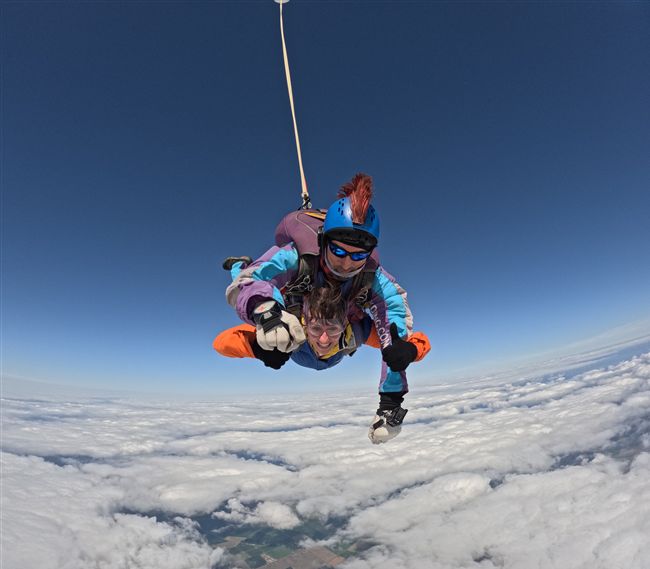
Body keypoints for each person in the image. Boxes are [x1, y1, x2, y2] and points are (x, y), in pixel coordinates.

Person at [224, 173, 427, 443]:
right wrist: (267, 316)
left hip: (336, 318)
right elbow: (250, 281)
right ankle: (241, 263)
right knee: (250, 279)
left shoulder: (365, 298)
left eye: (358, 255)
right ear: (323, 242)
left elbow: (396, 329)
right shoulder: (296, 258)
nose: (347, 264)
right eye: (339, 252)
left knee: (393, 343)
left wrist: (391, 401)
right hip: (297, 311)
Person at [214, 285, 430, 443]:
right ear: (304, 324)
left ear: (344, 326)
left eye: (333, 329)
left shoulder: (358, 331)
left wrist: (410, 351)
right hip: (300, 345)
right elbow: (221, 343)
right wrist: (260, 347)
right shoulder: (290, 332)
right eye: (316, 328)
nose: (324, 340)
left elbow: (411, 343)